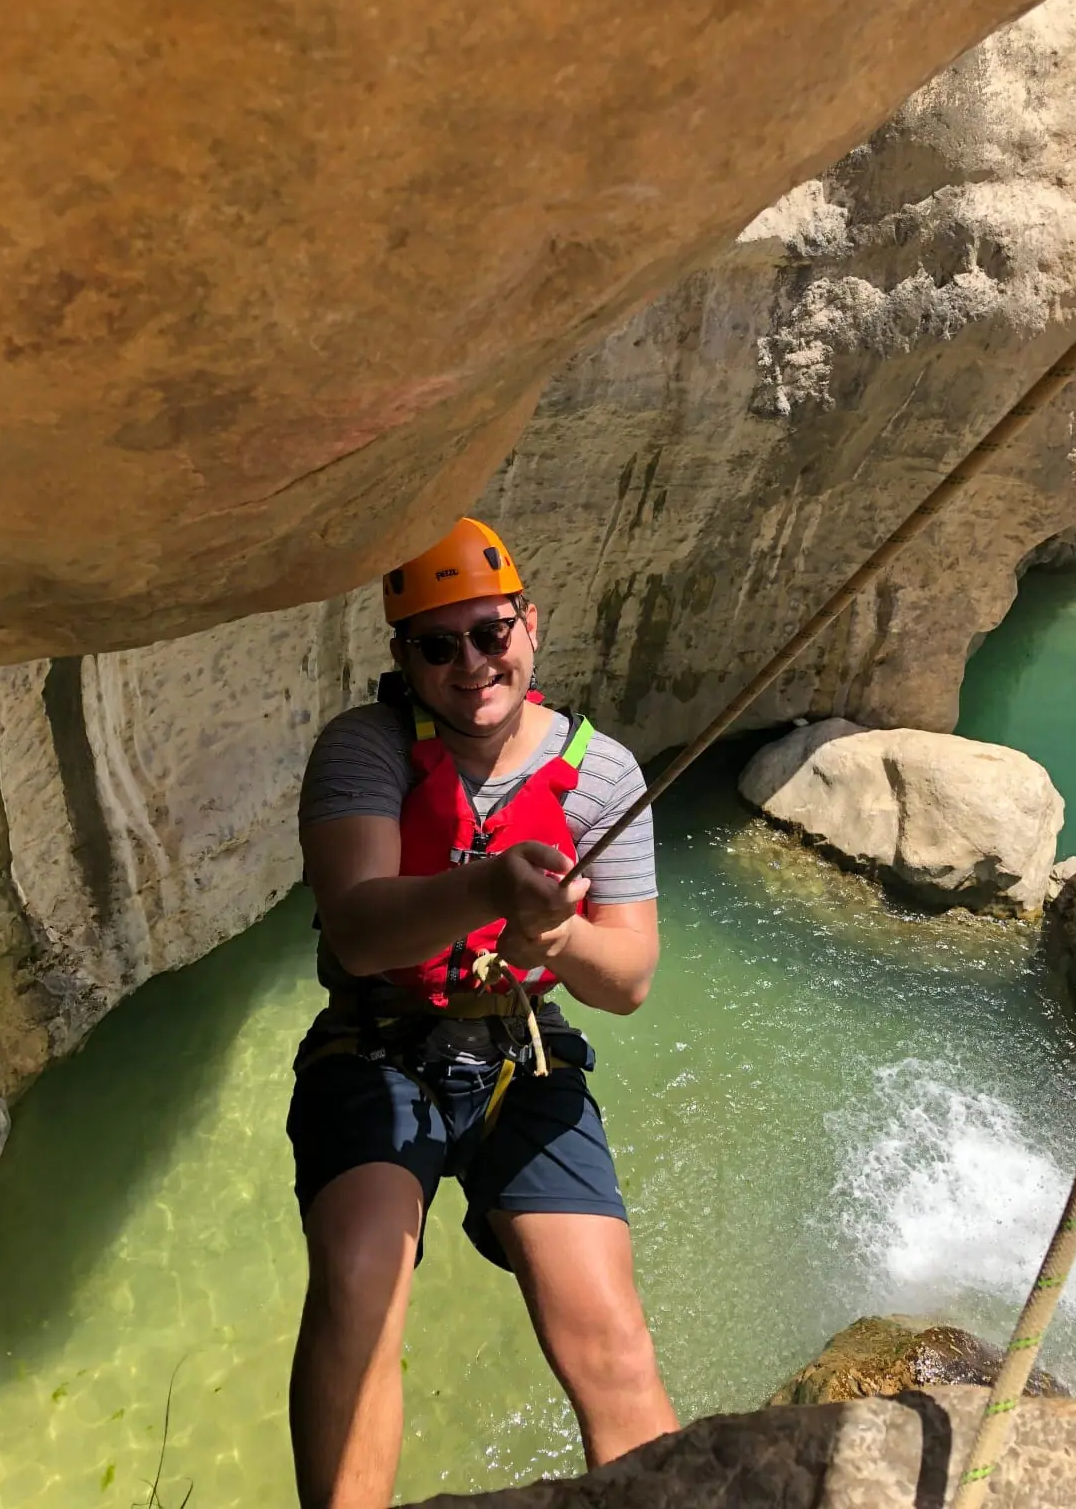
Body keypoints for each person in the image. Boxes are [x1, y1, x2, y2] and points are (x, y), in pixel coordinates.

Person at [286, 517, 678, 1509]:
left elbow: (626, 979)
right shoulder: (363, 751)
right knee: (360, 1280)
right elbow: (363, 929)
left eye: (490, 633)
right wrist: (494, 890)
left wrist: (561, 942)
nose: (472, 664)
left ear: (530, 627)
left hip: (523, 1052)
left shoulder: (604, 776)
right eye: (437, 643)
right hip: (380, 1043)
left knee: (614, 1341)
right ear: (402, 657)